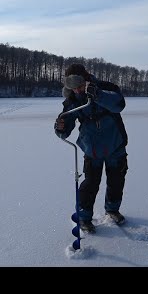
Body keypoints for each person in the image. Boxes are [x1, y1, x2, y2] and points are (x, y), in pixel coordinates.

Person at [54, 63, 128, 233]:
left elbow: (119, 105)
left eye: (80, 86)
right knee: (90, 184)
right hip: (92, 148)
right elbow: (64, 130)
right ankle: (84, 217)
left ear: (86, 79)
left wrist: (98, 95)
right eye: (73, 88)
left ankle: (112, 209)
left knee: (117, 180)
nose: (78, 91)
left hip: (115, 144)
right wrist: (60, 127)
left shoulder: (106, 88)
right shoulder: (72, 101)